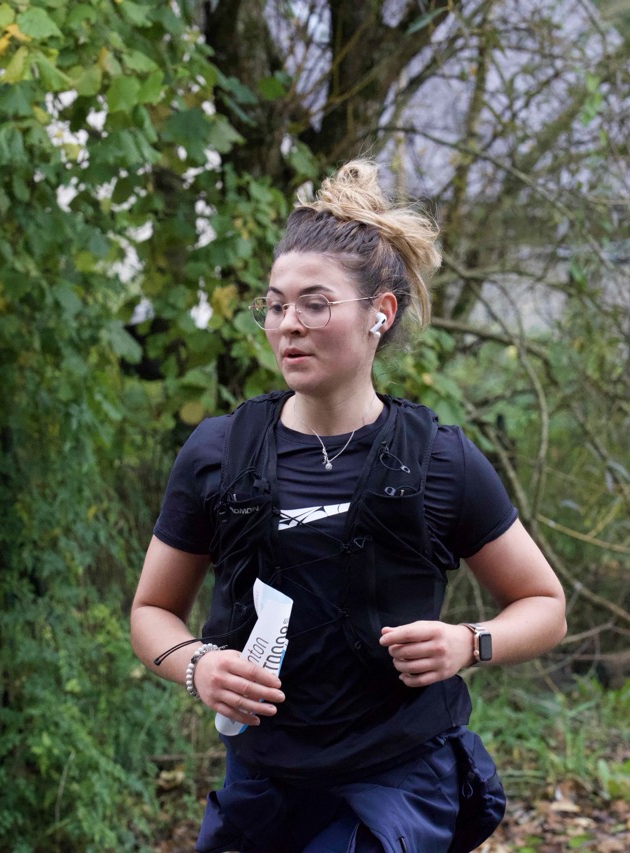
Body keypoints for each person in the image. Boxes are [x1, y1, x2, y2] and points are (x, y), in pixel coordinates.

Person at [129, 160, 568, 853]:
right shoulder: (219, 452)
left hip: (397, 780)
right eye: (276, 305)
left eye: (315, 304)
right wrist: (197, 664)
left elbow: (545, 605)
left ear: (379, 314)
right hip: (264, 781)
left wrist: (469, 642)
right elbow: (151, 612)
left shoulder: (441, 460)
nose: (288, 325)